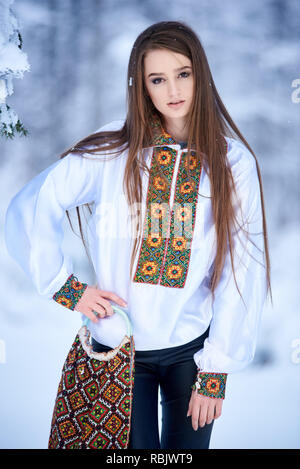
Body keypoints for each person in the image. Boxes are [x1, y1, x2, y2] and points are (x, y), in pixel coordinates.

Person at [4, 20, 272, 449]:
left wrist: (218, 366)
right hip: (120, 349)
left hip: (193, 351)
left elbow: (244, 265)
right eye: (157, 79)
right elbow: (32, 204)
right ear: (142, 86)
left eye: (183, 73)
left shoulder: (231, 162)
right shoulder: (112, 150)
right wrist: (64, 286)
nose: (173, 89)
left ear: (200, 74)